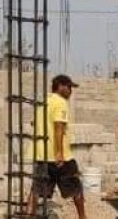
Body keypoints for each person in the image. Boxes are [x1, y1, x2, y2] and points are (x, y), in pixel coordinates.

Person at [26, 74, 87, 219]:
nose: (71, 91)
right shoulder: (60, 102)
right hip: (60, 157)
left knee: (36, 190)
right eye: (69, 87)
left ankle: (28, 216)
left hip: (40, 155)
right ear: (61, 86)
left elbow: (33, 123)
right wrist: (59, 152)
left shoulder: (43, 102)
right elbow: (58, 126)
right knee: (76, 188)